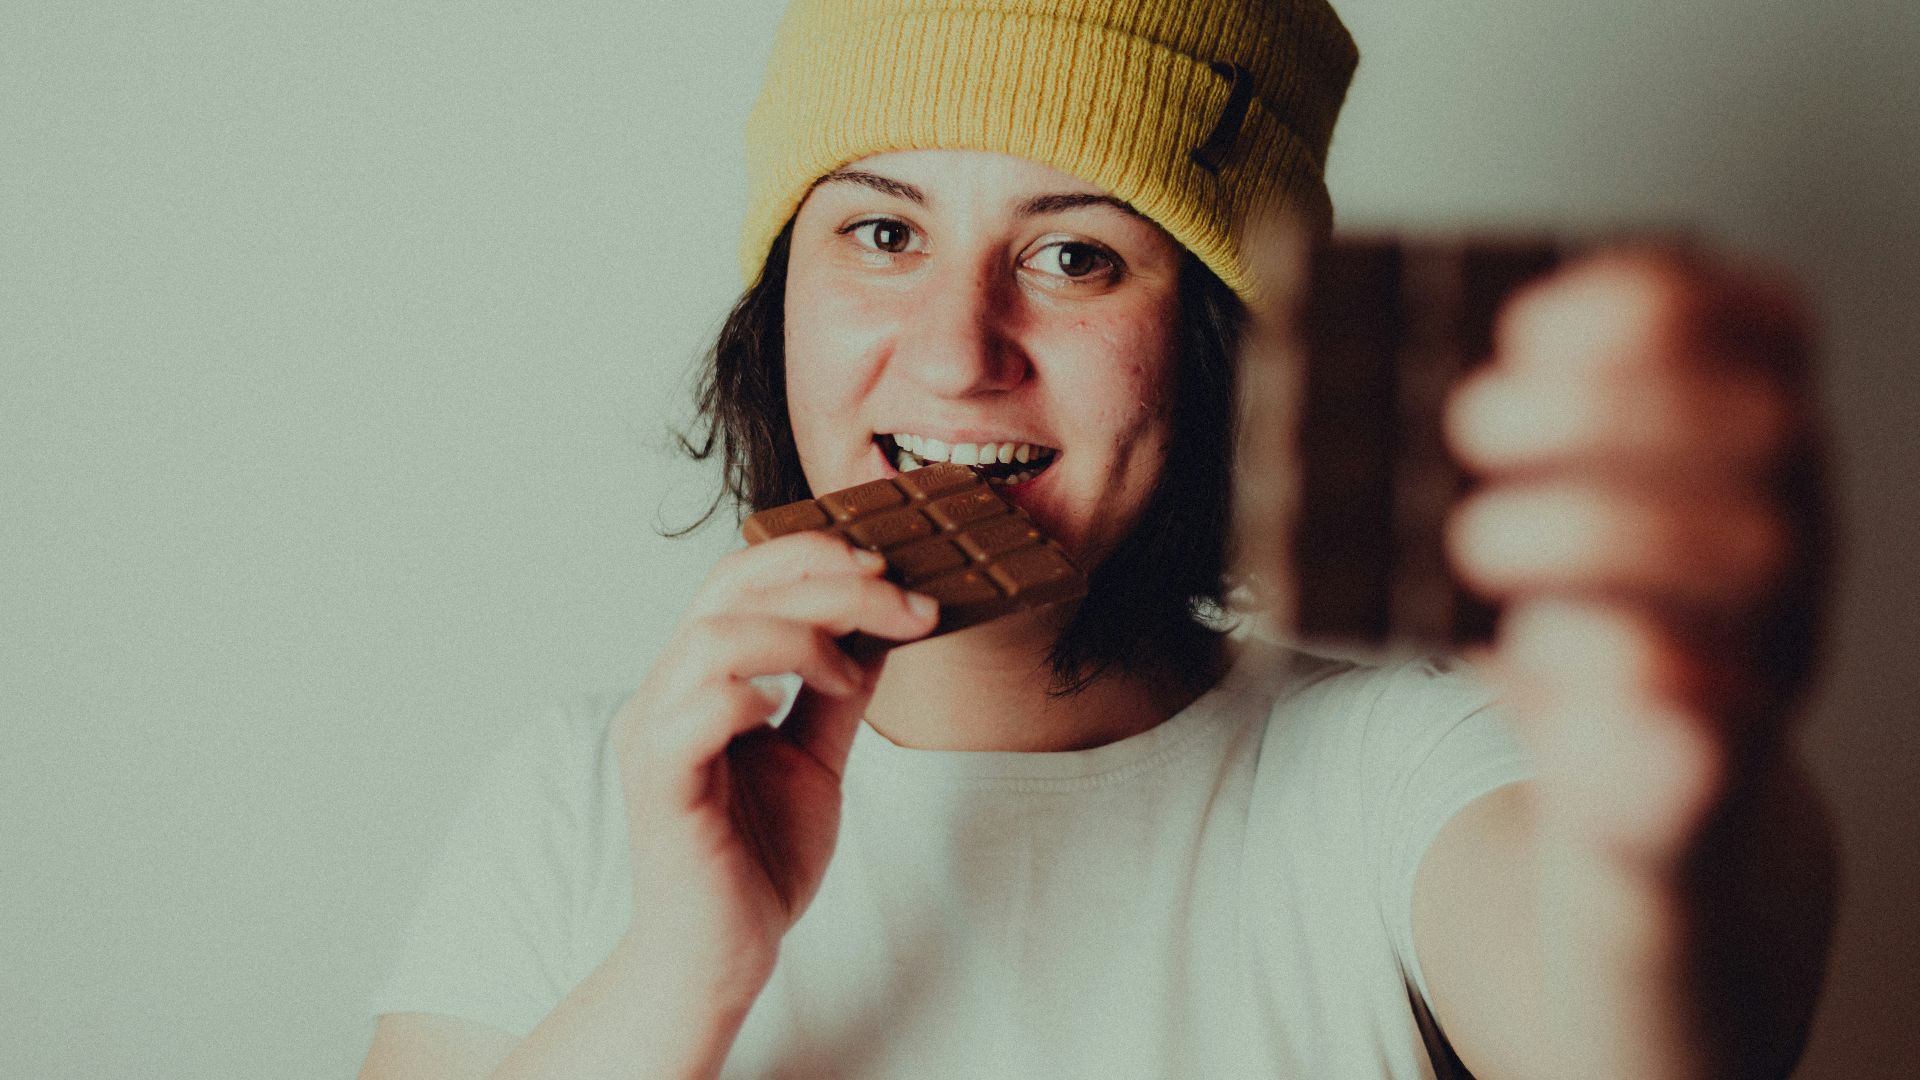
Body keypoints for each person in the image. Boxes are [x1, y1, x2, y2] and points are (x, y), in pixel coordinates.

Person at [358, 1, 1837, 1077]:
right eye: (881, 234)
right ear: (779, 298)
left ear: (1211, 345)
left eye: (1075, 255)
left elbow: (1659, 1033)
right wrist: (686, 964)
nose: (954, 353)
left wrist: (1675, 820)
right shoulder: (577, 803)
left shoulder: (1395, 767)